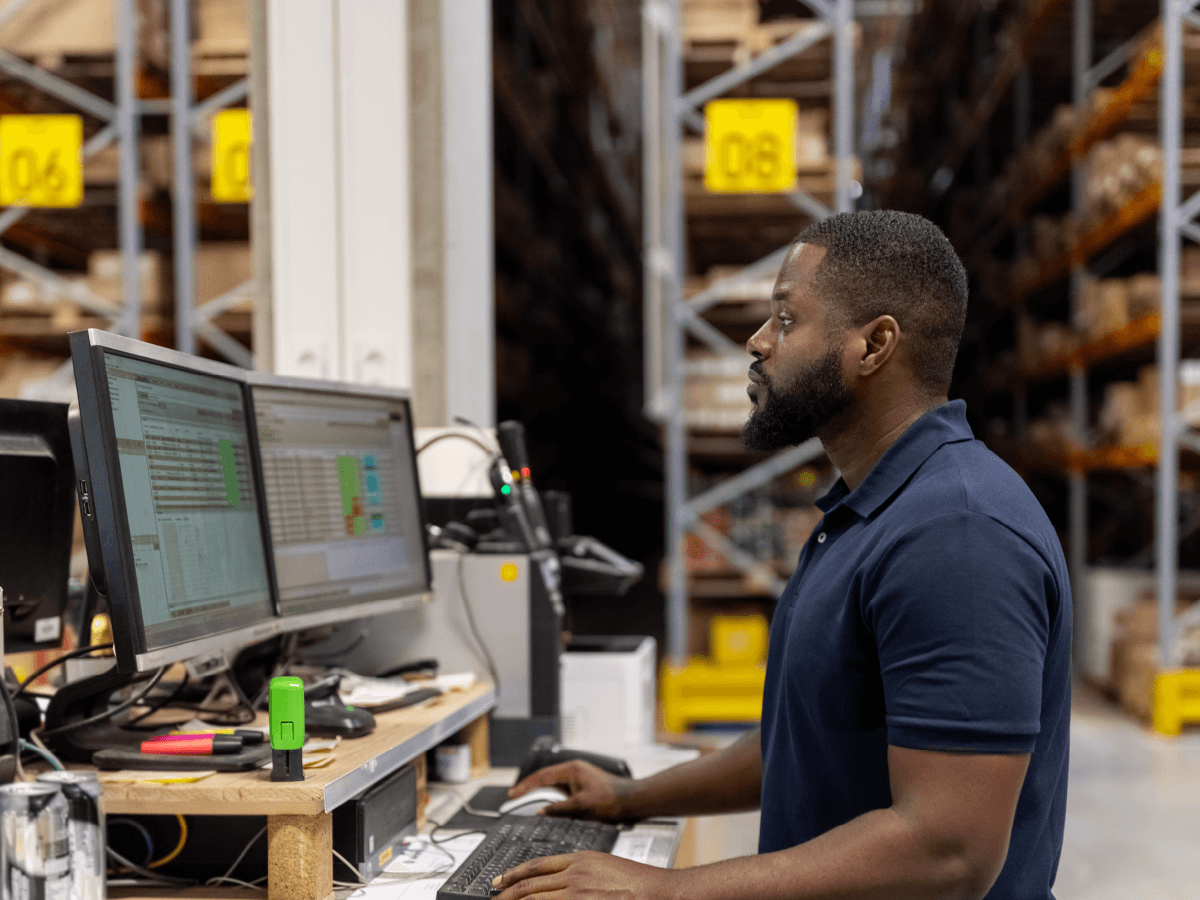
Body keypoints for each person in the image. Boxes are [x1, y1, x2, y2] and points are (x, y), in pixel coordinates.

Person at [494, 210, 1071, 900]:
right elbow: (804, 742)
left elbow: (948, 851)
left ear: (874, 344)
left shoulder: (957, 535)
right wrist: (627, 796)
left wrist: (665, 889)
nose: (757, 341)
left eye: (787, 319)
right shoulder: (866, 512)